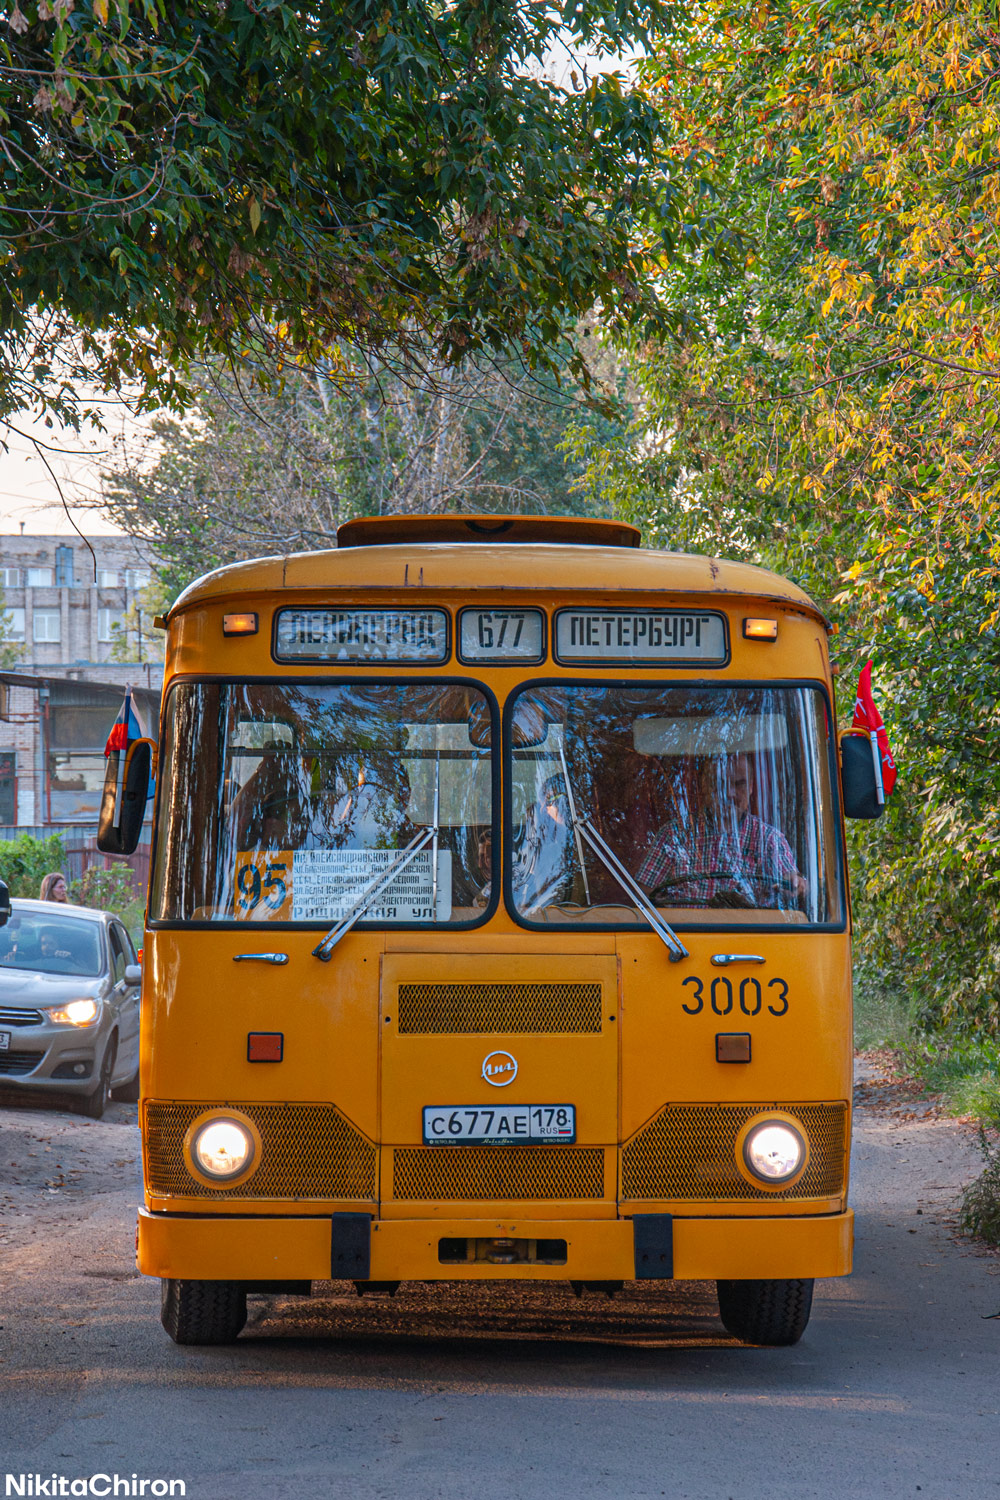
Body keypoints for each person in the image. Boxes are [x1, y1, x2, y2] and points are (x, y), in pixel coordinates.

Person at [636, 754, 807, 910]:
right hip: (679, 939)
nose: (729, 794)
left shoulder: (769, 839)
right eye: (720, 784)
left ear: (751, 787)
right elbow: (642, 897)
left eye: (739, 784)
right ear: (704, 786)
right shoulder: (673, 835)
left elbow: (790, 878)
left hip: (751, 941)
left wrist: (795, 883)